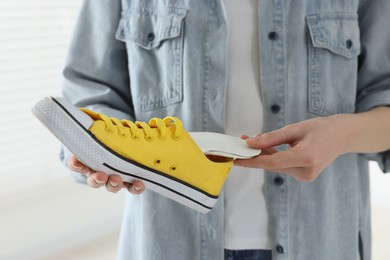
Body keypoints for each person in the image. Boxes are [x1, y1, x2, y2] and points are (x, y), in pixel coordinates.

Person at [61, 0, 390, 259]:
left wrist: (340, 135)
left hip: (321, 243)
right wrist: (96, 152)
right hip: (167, 242)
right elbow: (89, 93)